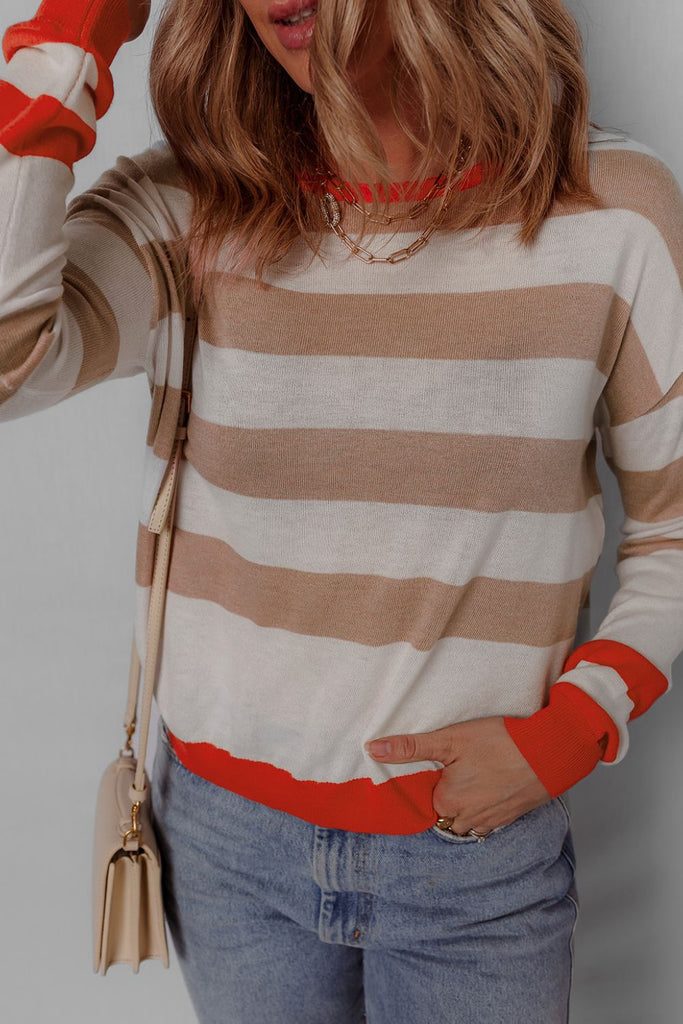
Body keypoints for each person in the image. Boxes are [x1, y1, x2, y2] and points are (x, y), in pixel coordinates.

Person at [1, 1, 682, 1021]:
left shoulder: (610, 211)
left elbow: (671, 529)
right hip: (227, 852)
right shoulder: (190, 206)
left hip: (473, 863)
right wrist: (67, 39)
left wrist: (569, 732)